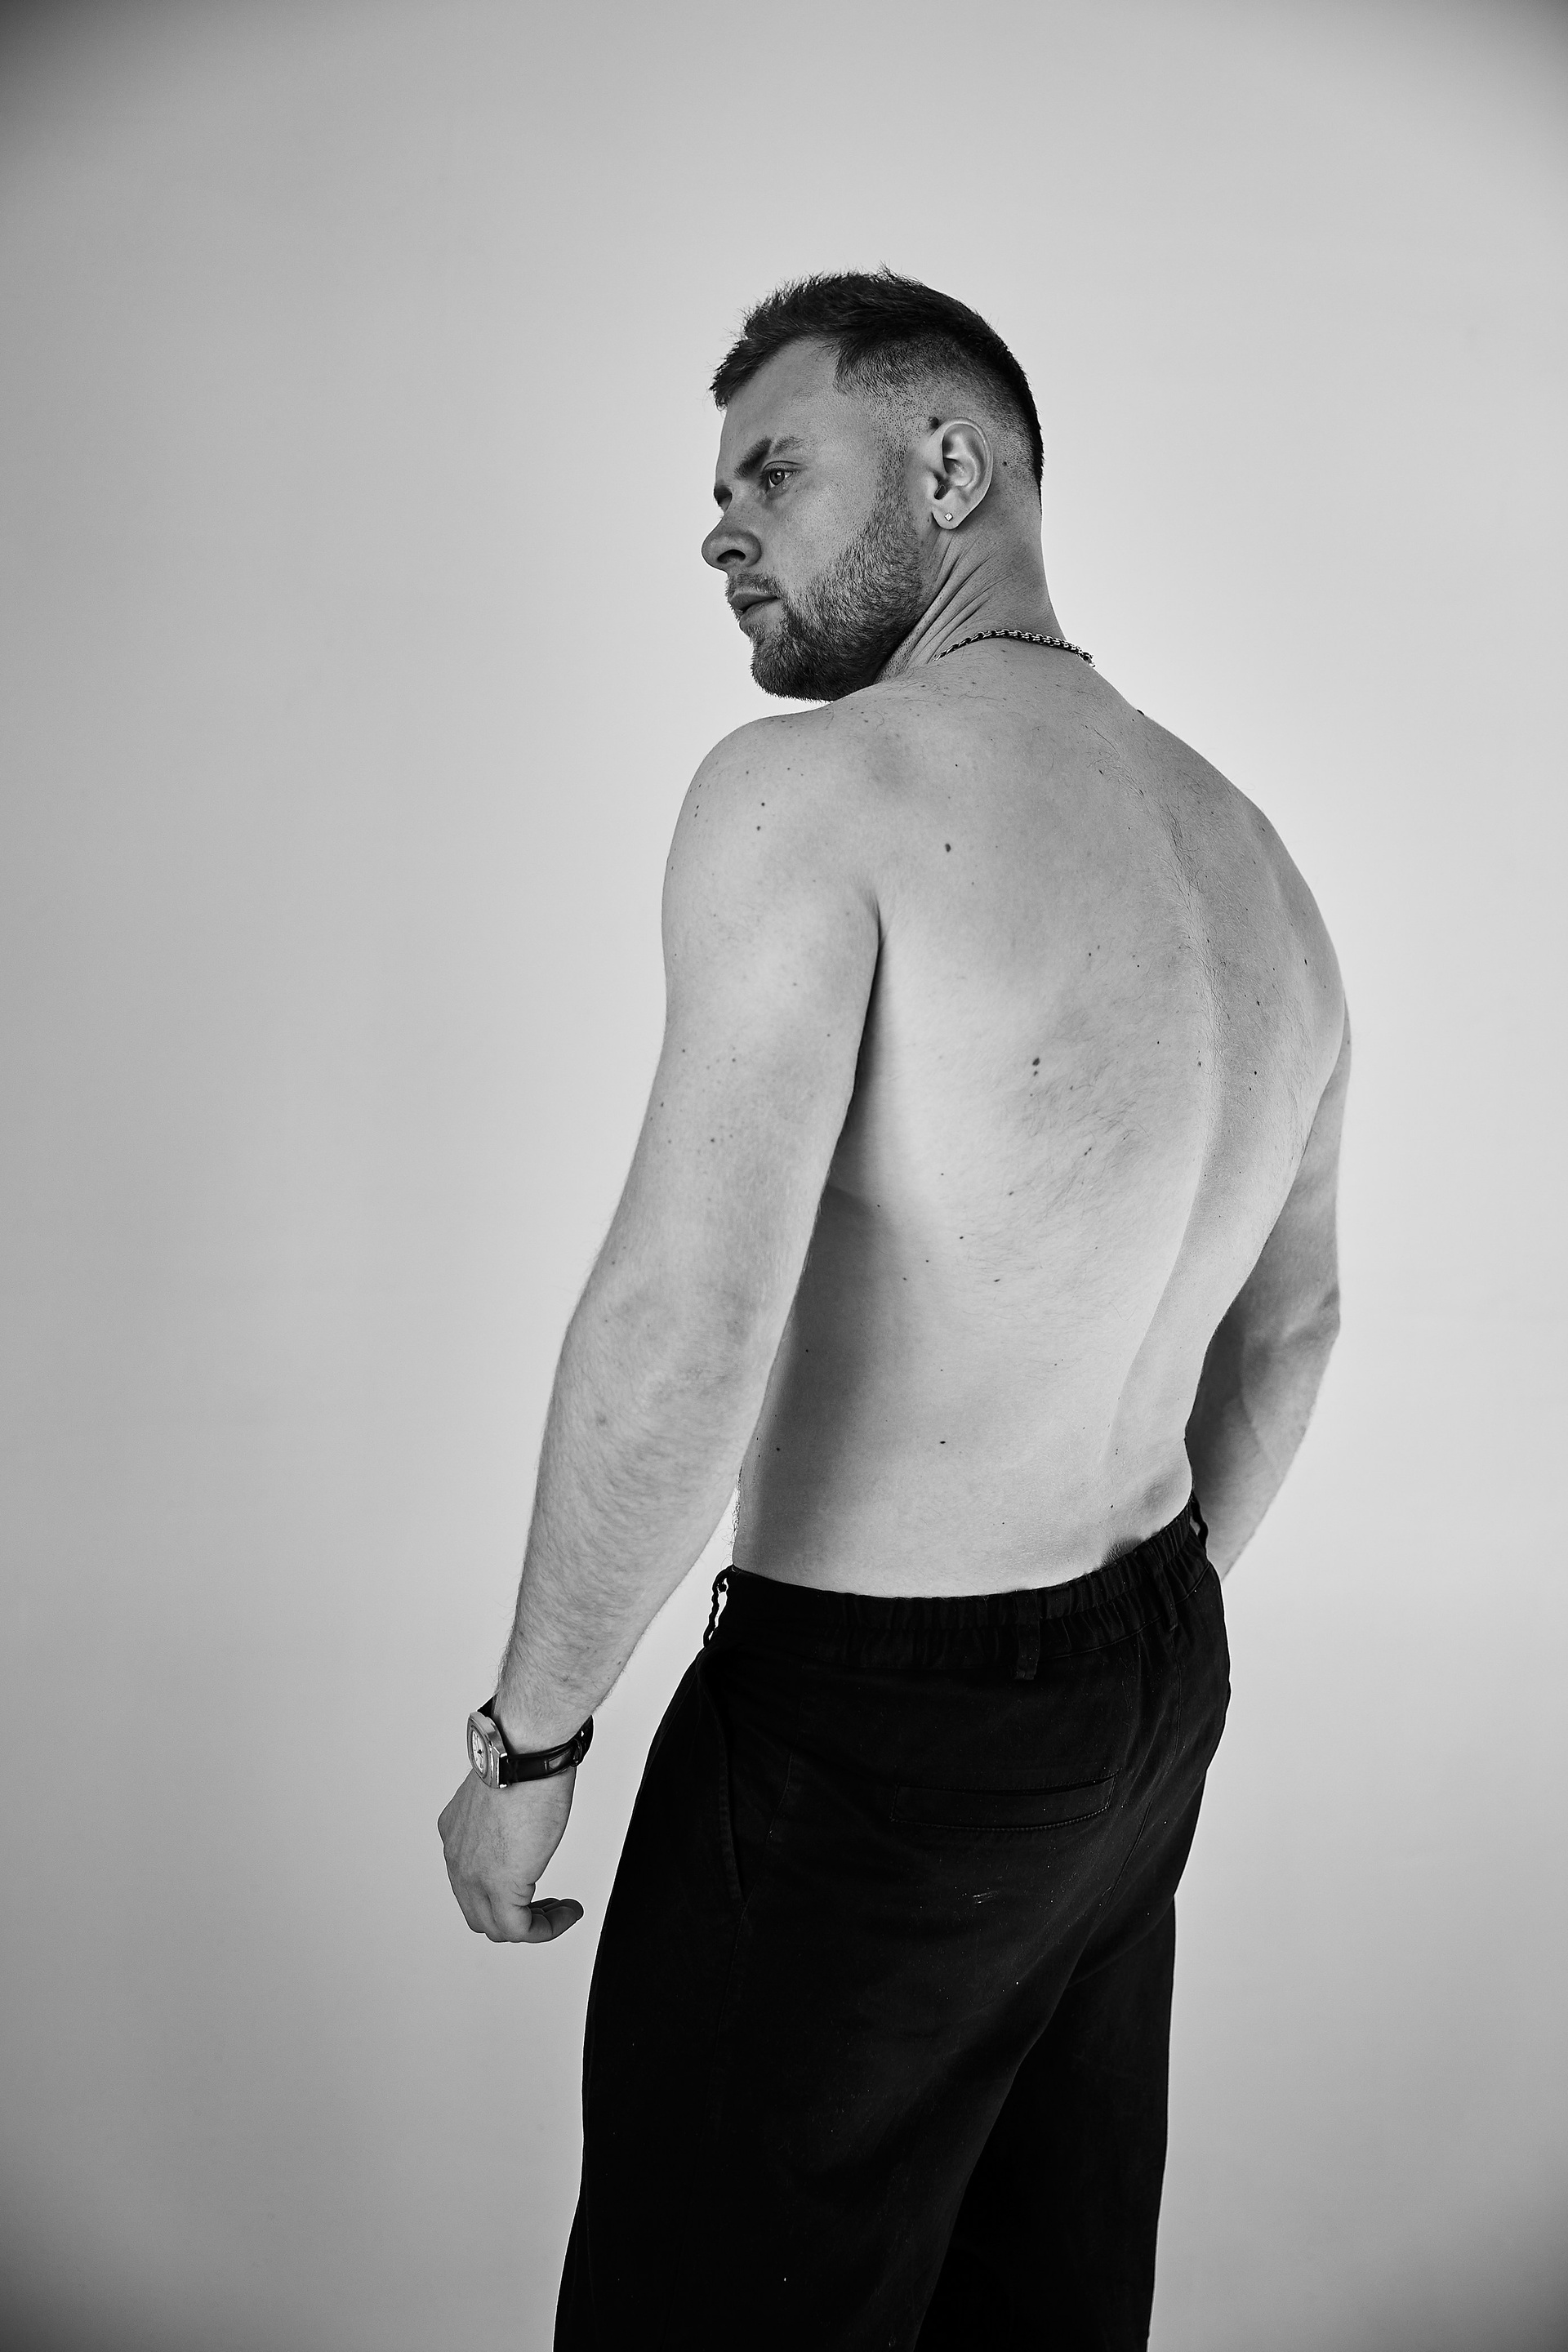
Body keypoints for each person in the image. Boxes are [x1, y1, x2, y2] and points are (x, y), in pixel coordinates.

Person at [438, 270, 1348, 2350]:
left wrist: (531, 1734)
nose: (719, 530)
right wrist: (1097, 1659)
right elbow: (1295, 1333)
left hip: (868, 1734)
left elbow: (689, 1320)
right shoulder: (1253, 858)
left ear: (951, 469)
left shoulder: (816, 795)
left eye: (772, 472)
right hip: (1145, 1691)